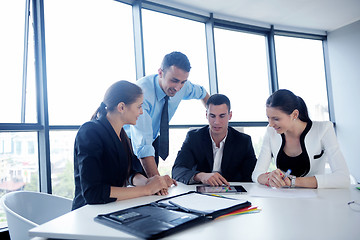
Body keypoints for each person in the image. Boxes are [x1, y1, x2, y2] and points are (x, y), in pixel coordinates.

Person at [72, 80, 173, 210]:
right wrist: (147, 189)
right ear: (121, 107)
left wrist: (151, 183)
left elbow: (129, 173)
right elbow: (93, 193)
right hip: (87, 212)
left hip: (112, 209)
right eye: (139, 106)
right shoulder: (90, 132)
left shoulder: (122, 135)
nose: (141, 112)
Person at [125, 51, 210, 179]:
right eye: (174, 81)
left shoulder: (183, 87)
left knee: (151, 189)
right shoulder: (142, 94)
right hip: (127, 141)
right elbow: (143, 144)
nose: (177, 87)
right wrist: (158, 182)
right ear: (160, 72)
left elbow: (202, 93)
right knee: (134, 185)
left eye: (182, 82)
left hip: (152, 139)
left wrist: (212, 116)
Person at [252, 89, 350, 189]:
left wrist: (293, 181)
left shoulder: (323, 129)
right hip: (282, 198)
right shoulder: (271, 132)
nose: (271, 124)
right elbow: (256, 174)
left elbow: (343, 178)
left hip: (316, 199)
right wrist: (270, 178)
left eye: (276, 119)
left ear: (294, 114)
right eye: (268, 118)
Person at [172, 94, 257, 185]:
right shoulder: (194, 138)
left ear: (230, 116)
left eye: (222, 116)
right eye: (212, 116)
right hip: (200, 191)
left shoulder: (243, 141)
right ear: (206, 115)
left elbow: (252, 175)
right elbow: (177, 170)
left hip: (232, 192)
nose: (216, 122)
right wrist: (200, 176)